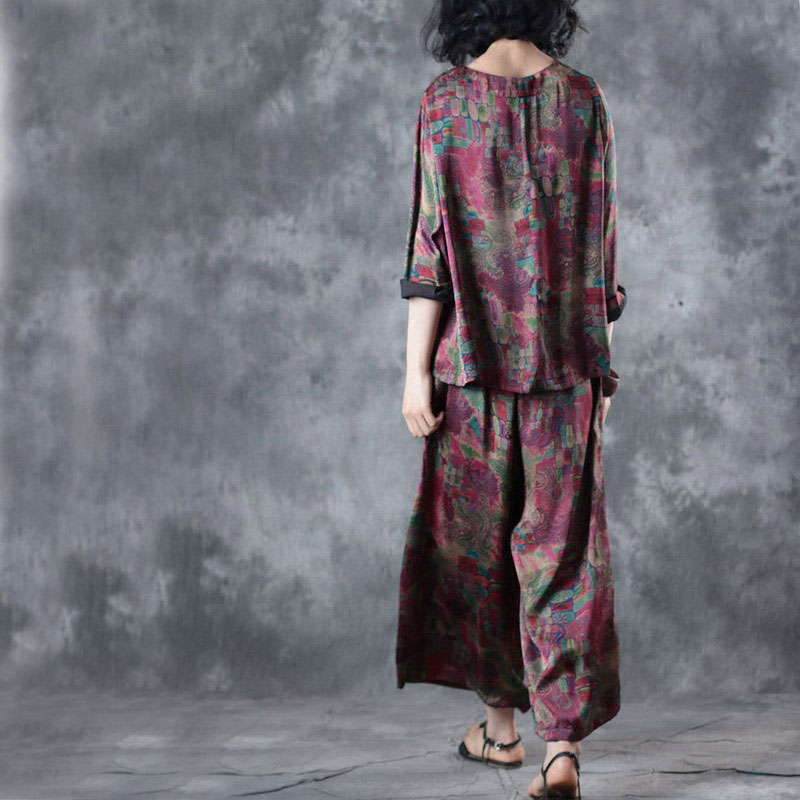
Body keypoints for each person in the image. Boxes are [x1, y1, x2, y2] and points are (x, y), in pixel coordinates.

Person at [394, 2, 627, 798]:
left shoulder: (444, 102)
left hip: (473, 373)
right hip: (566, 370)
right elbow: (601, 253)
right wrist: (601, 369)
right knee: (561, 558)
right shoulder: (584, 99)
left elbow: (430, 249)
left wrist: (414, 374)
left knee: (479, 554)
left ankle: (499, 732)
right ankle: (559, 749)